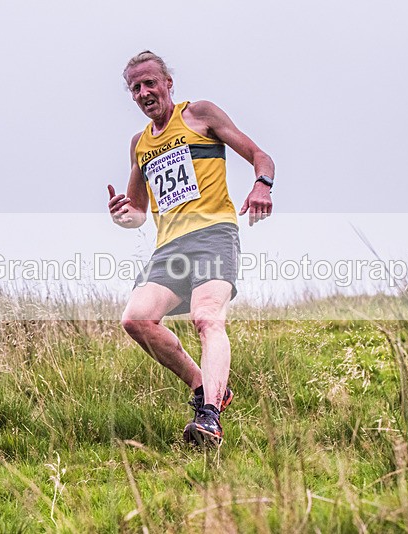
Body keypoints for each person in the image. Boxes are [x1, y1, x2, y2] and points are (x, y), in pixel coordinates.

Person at [107, 50, 275, 447]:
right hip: (170, 248)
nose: (145, 92)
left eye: (151, 83)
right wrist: (121, 214)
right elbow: (138, 212)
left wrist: (261, 184)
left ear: (168, 84)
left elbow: (259, 155)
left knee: (206, 318)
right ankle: (206, 388)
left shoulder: (199, 115)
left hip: (214, 234)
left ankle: (210, 418)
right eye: (136, 88)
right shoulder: (140, 144)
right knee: (136, 320)